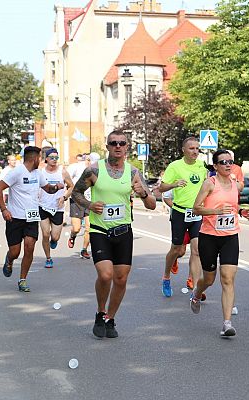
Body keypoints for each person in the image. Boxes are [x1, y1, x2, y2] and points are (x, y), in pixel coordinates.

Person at [72, 130, 156, 338]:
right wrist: (90, 205)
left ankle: (110, 318)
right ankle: (100, 312)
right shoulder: (94, 171)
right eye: (113, 143)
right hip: (100, 230)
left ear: (127, 147)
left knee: (120, 279)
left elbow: (152, 204)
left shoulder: (133, 173)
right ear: (107, 146)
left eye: (122, 143)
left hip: (124, 231)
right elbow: (75, 193)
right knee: (105, 274)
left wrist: (143, 193)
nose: (118, 146)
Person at [190, 150, 249, 337]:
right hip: (209, 236)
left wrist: (240, 211)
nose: (227, 164)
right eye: (223, 162)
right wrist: (215, 211)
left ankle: (227, 323)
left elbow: (231, 207)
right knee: (209, 279)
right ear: (215, 166)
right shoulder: (210, 183)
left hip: (230, 236)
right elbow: (196, 208)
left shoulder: (234, 184)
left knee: (227, 278)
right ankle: (197, 293)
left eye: (230, 161)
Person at [0, 146, 64, 292]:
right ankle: (9, 260)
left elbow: (48, 189)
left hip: (31, 217)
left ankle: (22, 279)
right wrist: (4, 209)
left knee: (30, 247)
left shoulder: (38, 173)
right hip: (15, 217)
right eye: (39, 158)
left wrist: (56, 187)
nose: (41, 160)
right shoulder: (17, 172)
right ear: (34, 158)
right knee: (15, 251)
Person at [158, 137, 208, 298]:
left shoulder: (201, 166)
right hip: (179, 212)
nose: (195, 151)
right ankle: (166, 277)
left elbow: (206, 185)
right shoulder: (175, 166)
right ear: (183, 150)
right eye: (191, 148)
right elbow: (161, 187)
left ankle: (195, 288)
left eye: (197, 149)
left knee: (197, 250)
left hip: (196, 213)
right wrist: (174, 184)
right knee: (177, 249)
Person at [39, 148, 74, 269]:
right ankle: (48, 258)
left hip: (57, 208)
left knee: (55, 236)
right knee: (45, 234)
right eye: (52, 157)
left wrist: (64, 197)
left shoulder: (62, 172)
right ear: (46, 159)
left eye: (56, 158)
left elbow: (71, 187)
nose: (54, 160)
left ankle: (53, 241)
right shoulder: (41, 172)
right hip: (43, 206)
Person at [66, 153, 91, 259]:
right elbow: (67, 180)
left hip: (90, 201)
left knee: (90, 228)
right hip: (77, 200)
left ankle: (84, 249)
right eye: (90, 160)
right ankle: (73, 236)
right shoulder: (76, 167)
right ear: (86, 160)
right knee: (76, 228)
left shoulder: (97, 170)